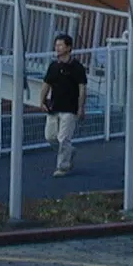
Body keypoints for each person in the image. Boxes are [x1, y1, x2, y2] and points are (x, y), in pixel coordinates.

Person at [41, 33, 88, 177]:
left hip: (70, 107)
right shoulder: (53, 66)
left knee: (63, 138)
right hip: (54, 106)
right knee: (50, 136)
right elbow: (46, 84)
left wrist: (80, 107)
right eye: (56, 45)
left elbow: (82, 88)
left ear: (68, 47)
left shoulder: (77, 67)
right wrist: (42, 100)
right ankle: (69, 151)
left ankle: (63, 166)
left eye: (60, 45)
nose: (57, 48)